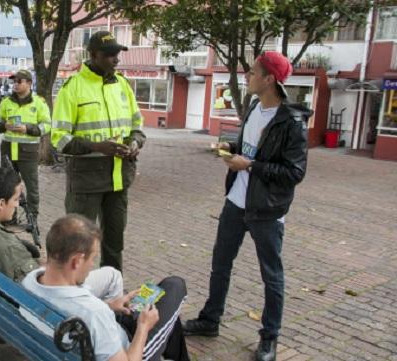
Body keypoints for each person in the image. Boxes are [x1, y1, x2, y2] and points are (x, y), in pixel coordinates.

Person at [182, 51, 310, 361]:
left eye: (253, 72)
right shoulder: (254, 107)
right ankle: (210, 320)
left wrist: (250, 165)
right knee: (220, 264)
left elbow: (295, 173)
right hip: (235, 203)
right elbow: (251, 149)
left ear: (269, 79)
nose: (247, 77)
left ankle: (269, 338)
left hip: (266, 210)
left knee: (272, 275)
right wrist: (231, 150)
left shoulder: (291, 122)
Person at [22, 214, 189, 361]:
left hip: (78, 343)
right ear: (77, 261)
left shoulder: (30, 282)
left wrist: (109, 306)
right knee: (175, 287)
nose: (92, 264)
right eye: (92, 258)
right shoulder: (94, 313)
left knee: (161, 305)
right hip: (127, 351)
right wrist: (143, 327)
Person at [50, 31, 146, 272]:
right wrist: (97, 147)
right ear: (93, 55)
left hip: (118, 178)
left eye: (117, 54)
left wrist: (134, 144)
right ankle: (71, 295)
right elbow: (59, 138)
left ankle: (113, 295)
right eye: (109, 55)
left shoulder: (123, 84)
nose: (116, 59)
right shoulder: (73, 87)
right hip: (86, 181)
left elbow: (137, 126)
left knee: (115, 244)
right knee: (76, 243)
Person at [0, 167, 123, 300]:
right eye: (16, 199)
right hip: (40, 306)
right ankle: (115, 328)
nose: (18, 204)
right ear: (1, 203)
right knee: (112, 275)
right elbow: (40, 285)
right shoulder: (9, 250)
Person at [0, 69, 50, 225]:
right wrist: (4, 125)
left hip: (28, 152)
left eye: (19, 81)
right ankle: (8, 218)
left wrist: (28, 129)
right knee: (7, 187)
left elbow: (47, 126)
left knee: (32, 188)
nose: (15, 84)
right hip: (7, 150)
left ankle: (32, 220)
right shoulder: (6, 102)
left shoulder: (39, 103)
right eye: (14, 81)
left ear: (29, 83)